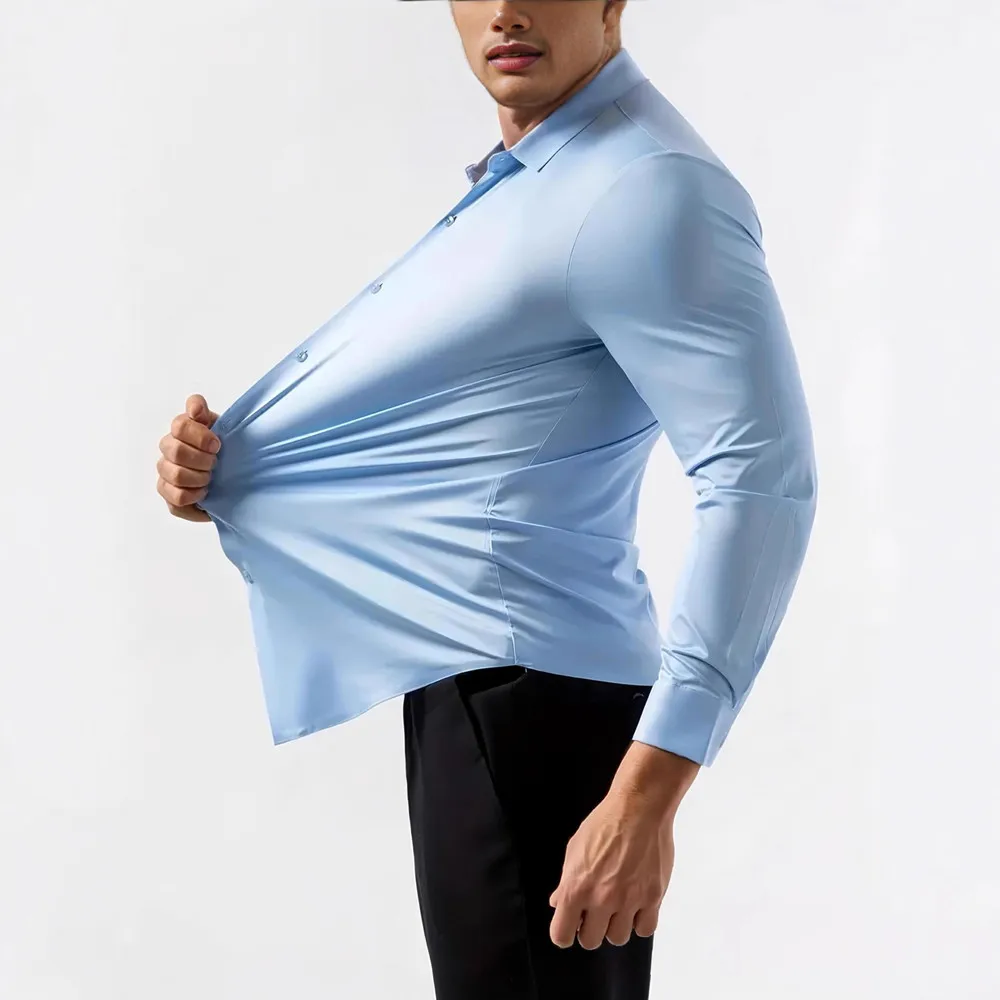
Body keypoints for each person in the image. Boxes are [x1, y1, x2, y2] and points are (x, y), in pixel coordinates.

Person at [154, 3, 817, 998]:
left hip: (540, 713)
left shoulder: (646, 186)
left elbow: (763, 483)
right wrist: (232, 471)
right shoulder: (538, 178)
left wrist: (648, 790)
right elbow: (467, 428)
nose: (507, 8)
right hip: (479, 694)